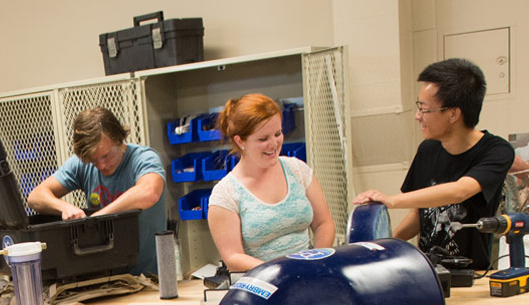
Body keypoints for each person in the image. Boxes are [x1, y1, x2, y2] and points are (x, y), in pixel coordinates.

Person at [353, 59, 514, 269]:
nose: (417, 116)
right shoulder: (427, 149)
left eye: (424, 109)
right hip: (429, 273)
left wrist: (391, 200)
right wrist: (383, 248)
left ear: (453, 114)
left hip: (472, 275)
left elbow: (460, 190)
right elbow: (419, 214)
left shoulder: (496, 151)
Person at [26, 106, 167, 277]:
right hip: (104, 278)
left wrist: (99, 218)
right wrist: (63, 207)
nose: (101, 166)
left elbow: (148, 192)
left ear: (119, 138)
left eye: (106, 156)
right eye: (93, 160)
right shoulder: (80, 164)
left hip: (148, 278)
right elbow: (35, 197)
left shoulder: (144, 158)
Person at [207, 94, 335, 272]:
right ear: (240, 141)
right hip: (263, 284)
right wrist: (279, 272)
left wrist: (315, 263)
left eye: (278, 133)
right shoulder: (225, 194)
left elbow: (323, 223)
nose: (274, 143)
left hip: (310, 274)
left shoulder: (298, 170)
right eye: (263, 139)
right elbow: (233, 257)